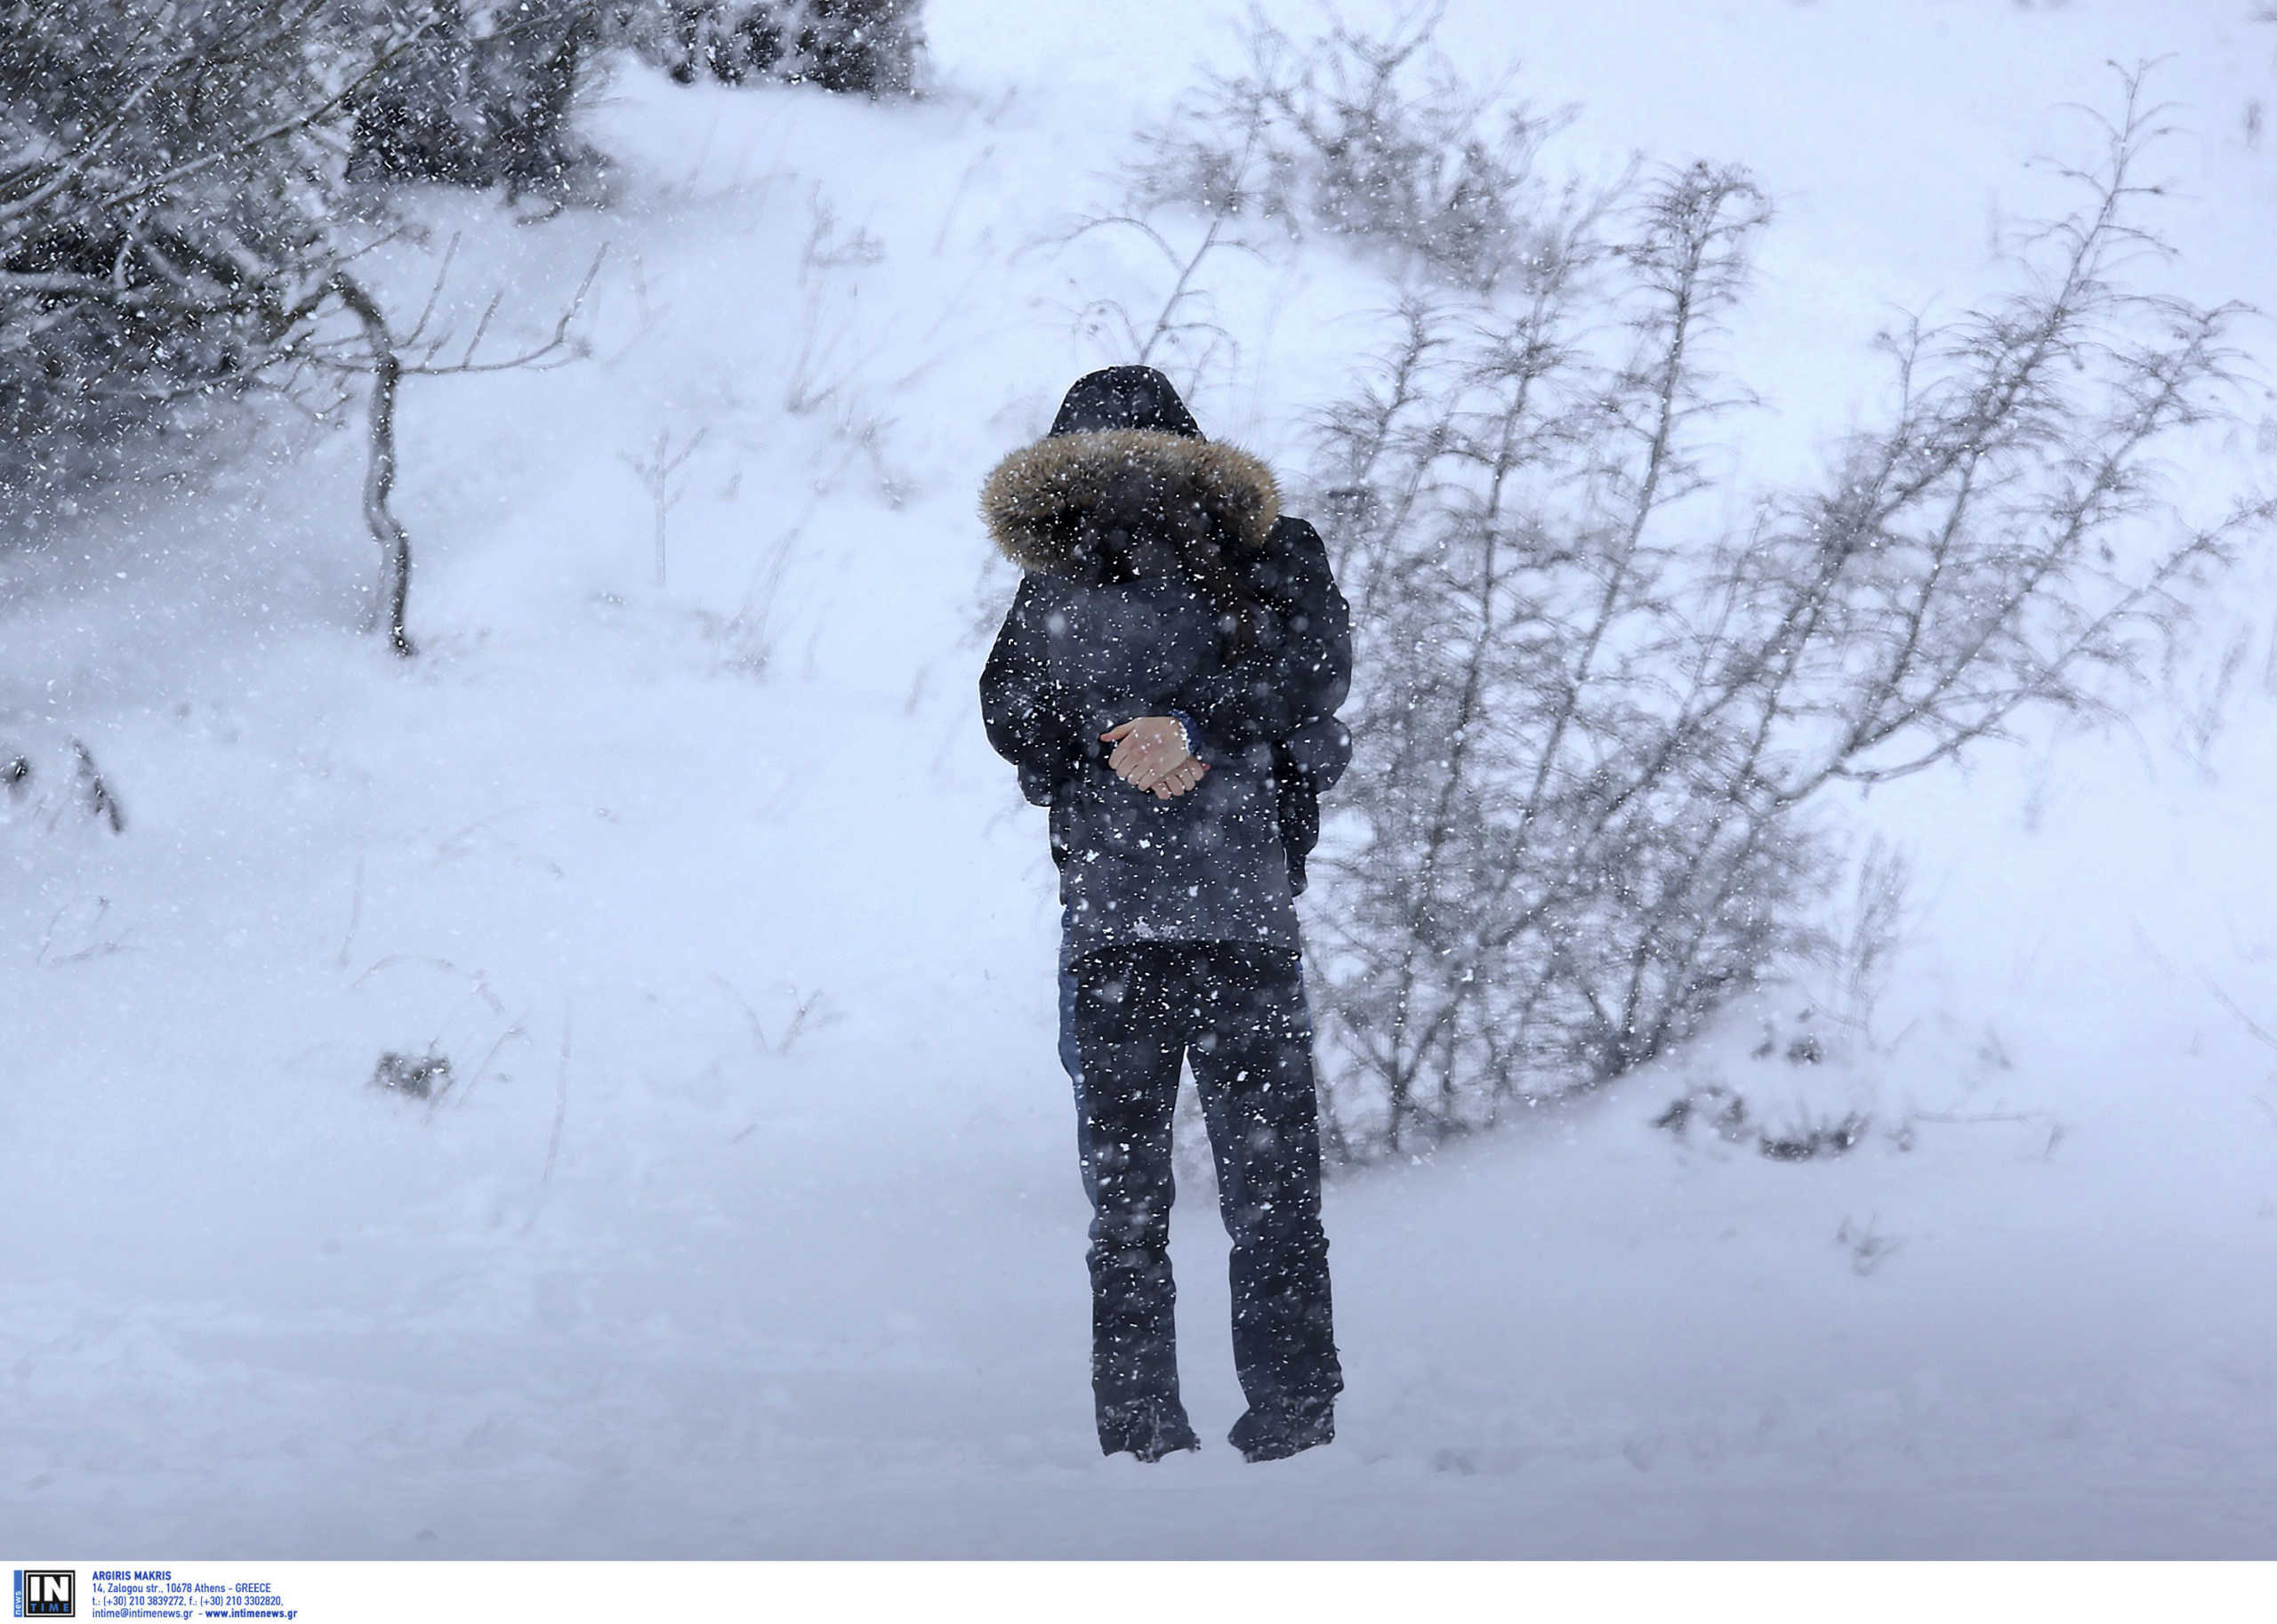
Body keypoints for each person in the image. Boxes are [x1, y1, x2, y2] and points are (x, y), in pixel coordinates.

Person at [977, 366, 1353, 1464]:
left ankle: (1138, 1437)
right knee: (1275, 1198)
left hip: (1113, 927)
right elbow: (1315, 672)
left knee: (1126, 1213)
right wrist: (1188, 727)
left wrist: (1123, 735)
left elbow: (1010, 716)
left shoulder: (1059, 567)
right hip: (1241, 920)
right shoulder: (1272, 551)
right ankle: (1295, 1425)